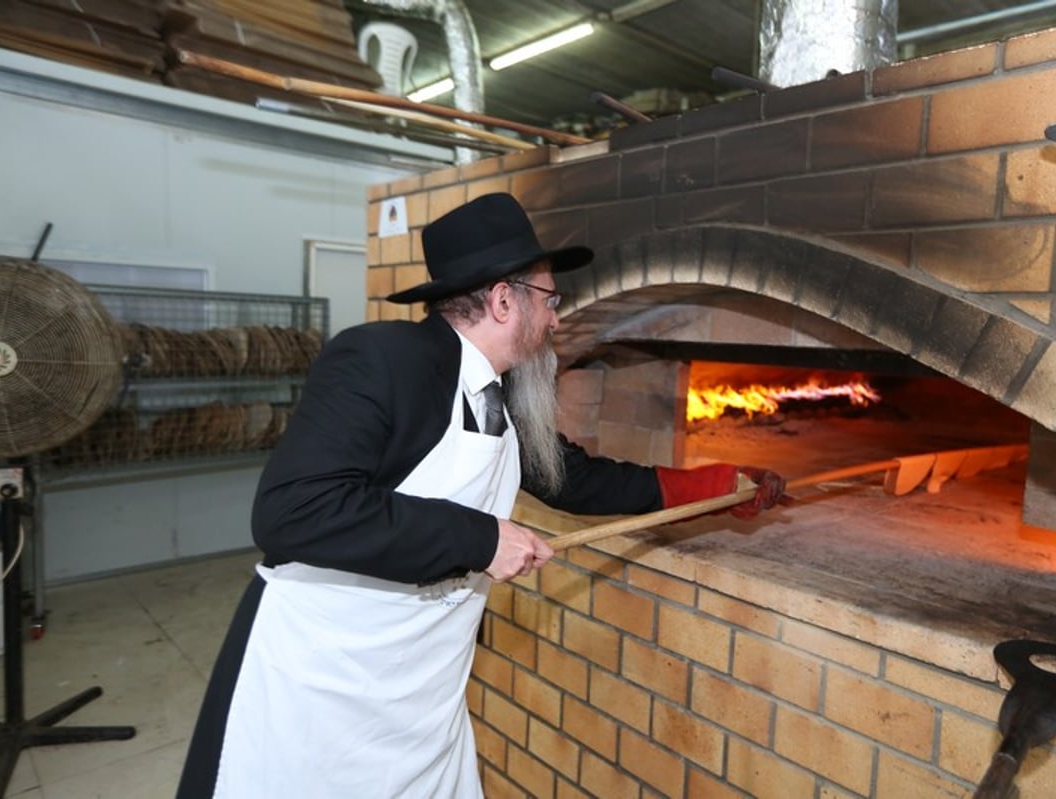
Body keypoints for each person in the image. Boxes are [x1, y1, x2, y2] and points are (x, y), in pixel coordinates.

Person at [177, 192, 785, 798]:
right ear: (502, 300)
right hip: (321, 682)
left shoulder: (504, 395)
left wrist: (713, 487)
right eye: (550, 300)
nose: (556, 319)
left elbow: (572, 478)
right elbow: (294, 512)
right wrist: (481, 537)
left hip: (424, 689)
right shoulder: (379, 359)